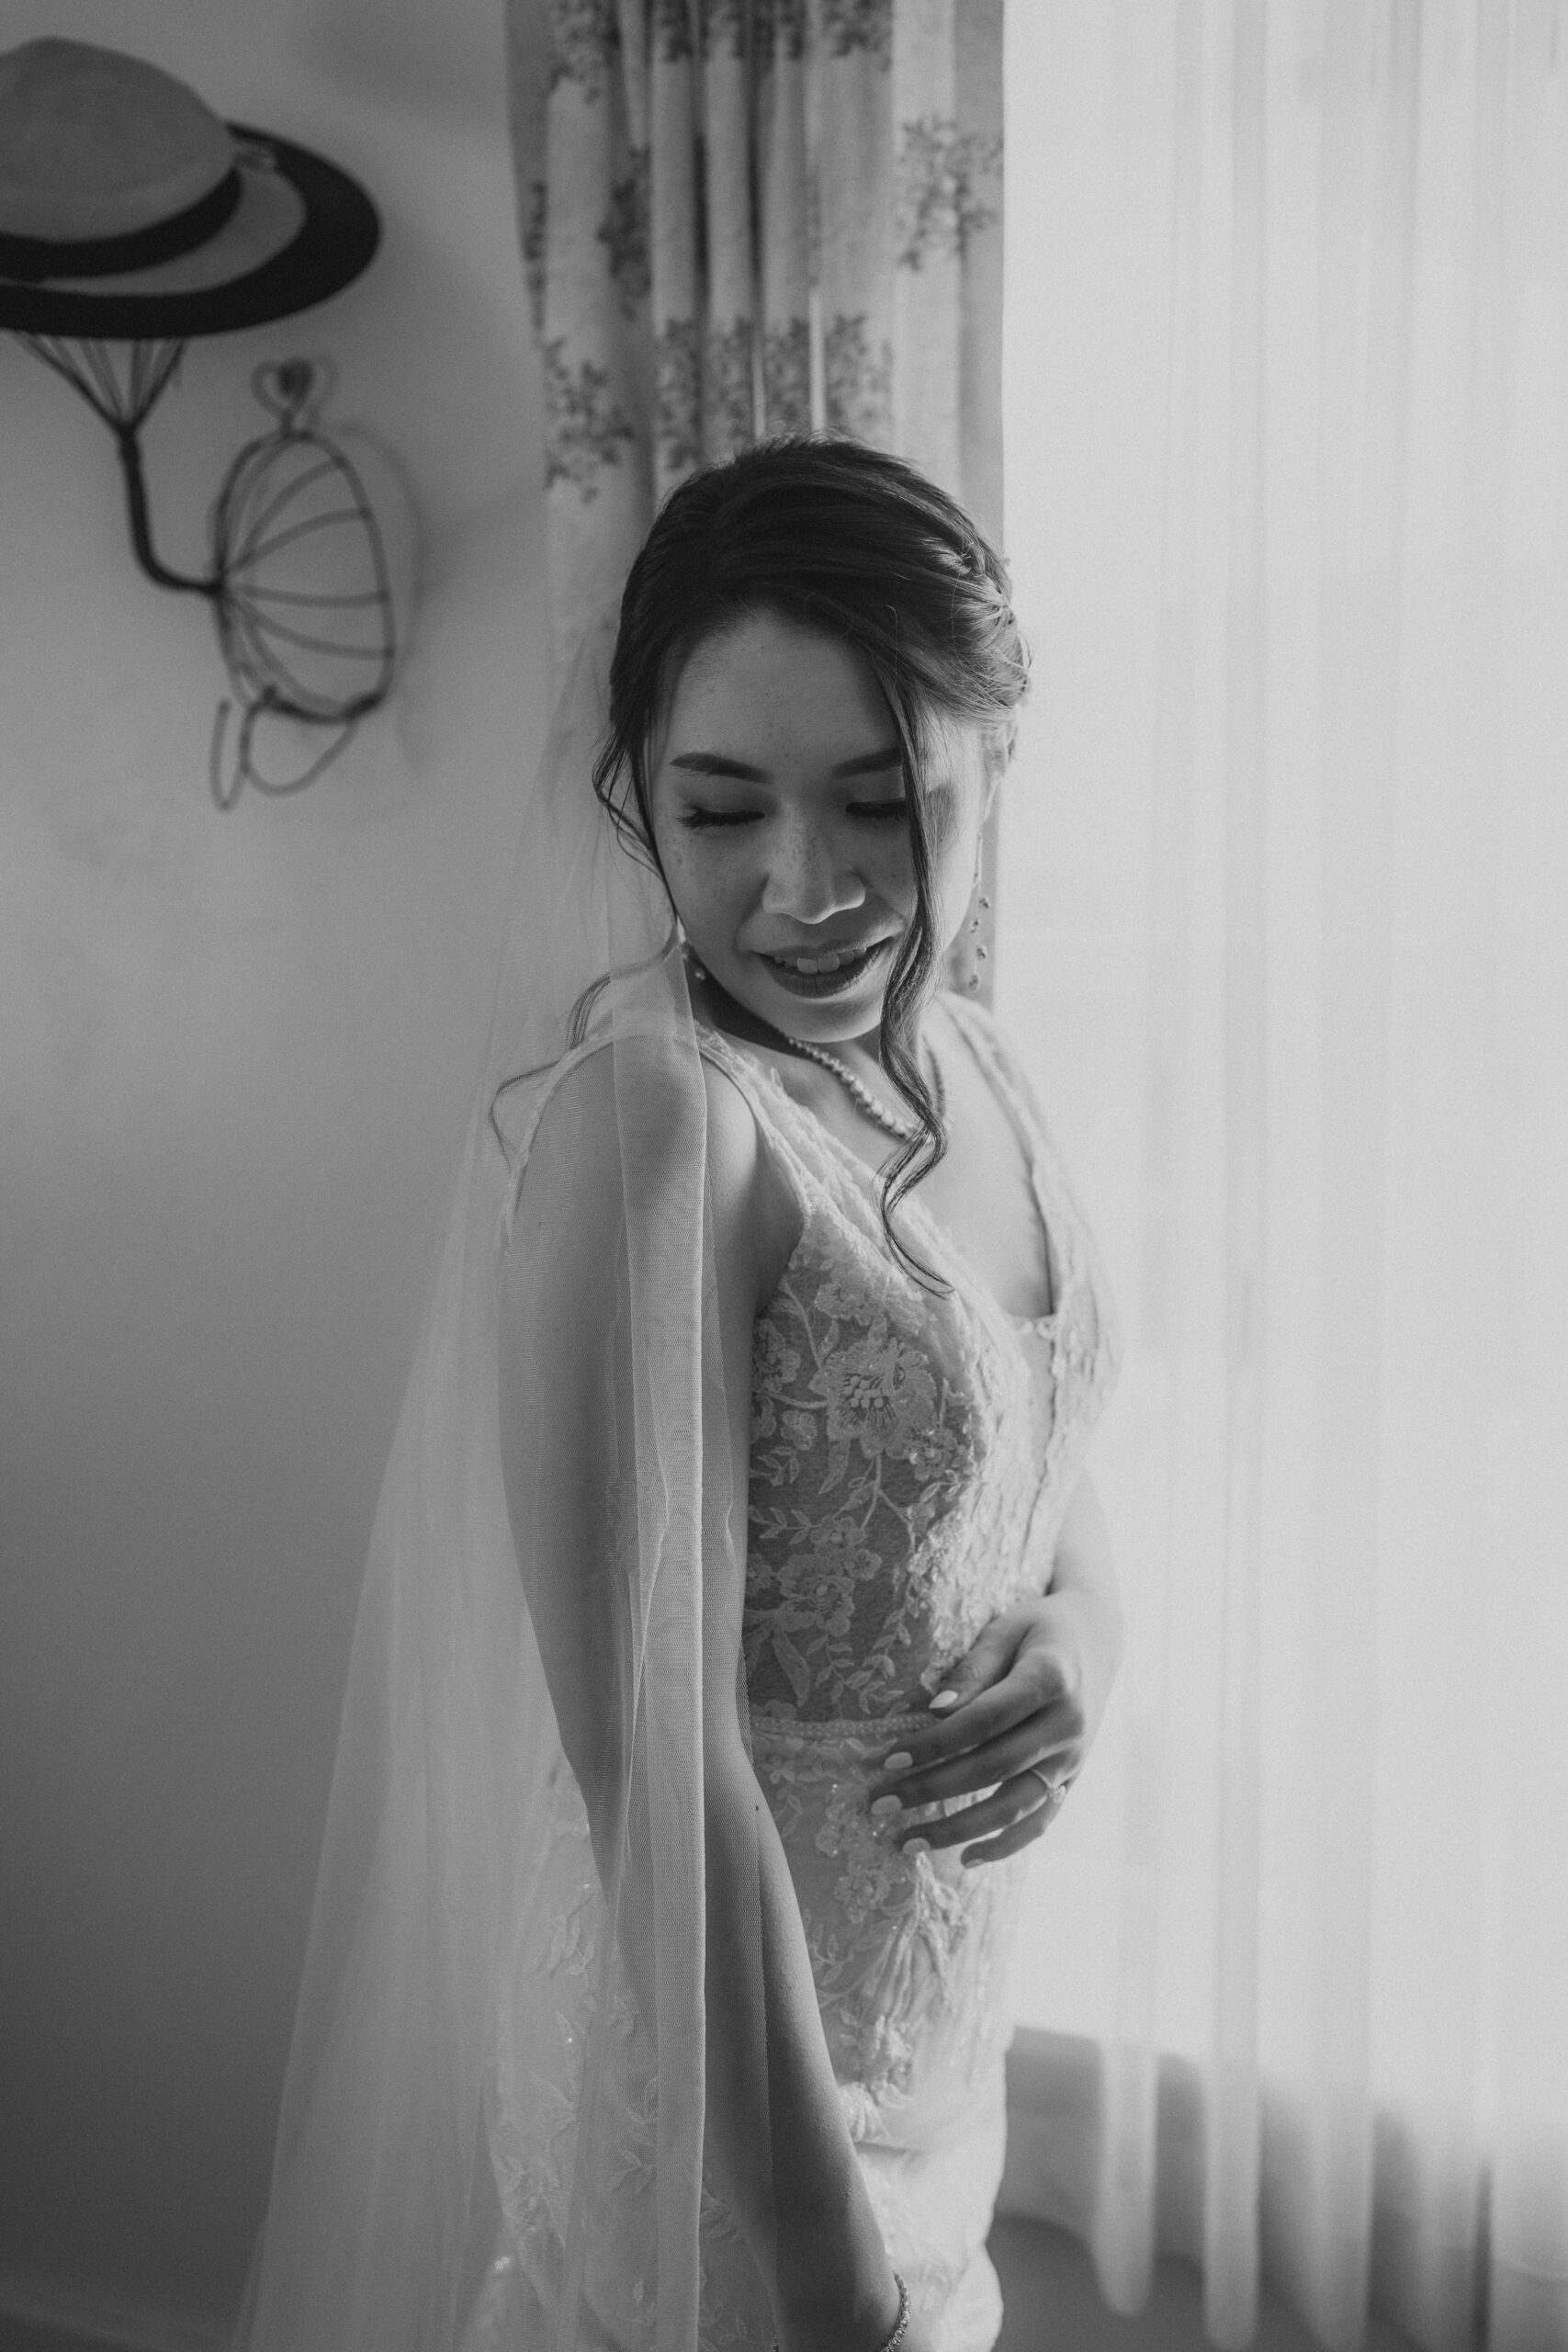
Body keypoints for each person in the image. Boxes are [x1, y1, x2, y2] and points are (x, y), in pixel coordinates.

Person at [232, 439, 1122, 2352]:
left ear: (995, 754)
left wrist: (1088, 1621)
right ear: (636, 792)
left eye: (882, 801)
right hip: (725, 2089)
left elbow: (1034, 1429)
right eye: (719, 811)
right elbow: (653, 1758)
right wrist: (825, 2268)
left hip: (926, 2019)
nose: (804, 891)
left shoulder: (970, 1057)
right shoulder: (658, 1129)